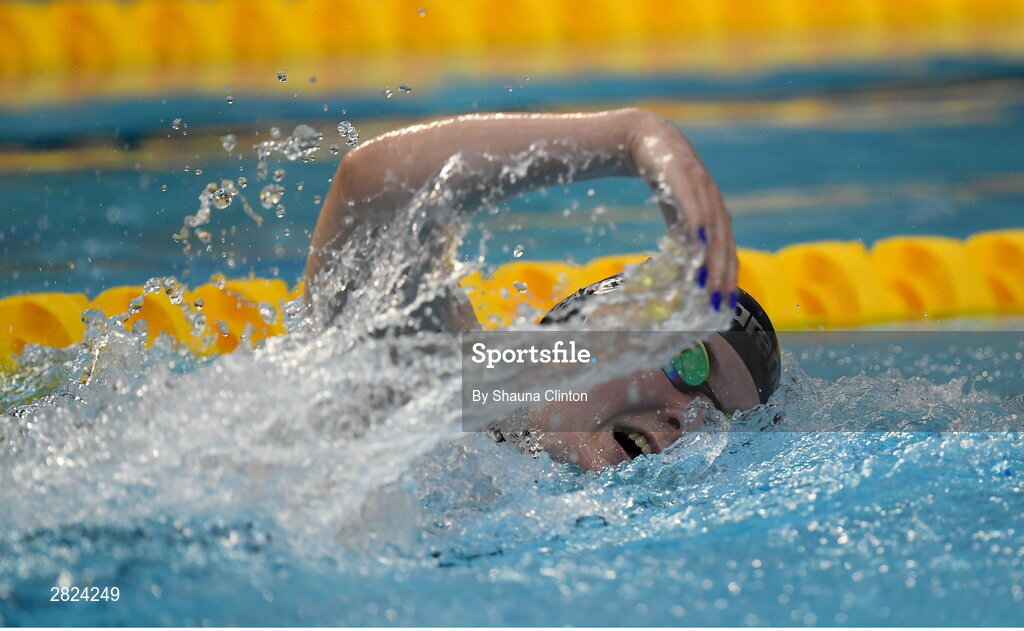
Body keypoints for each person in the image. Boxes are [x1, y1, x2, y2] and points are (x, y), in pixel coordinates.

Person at [305, 108, 780, 471]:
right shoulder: (437, 389)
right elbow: (378, 191)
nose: (688, 421)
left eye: (721, 421)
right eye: (685, 359)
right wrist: (631, 137)